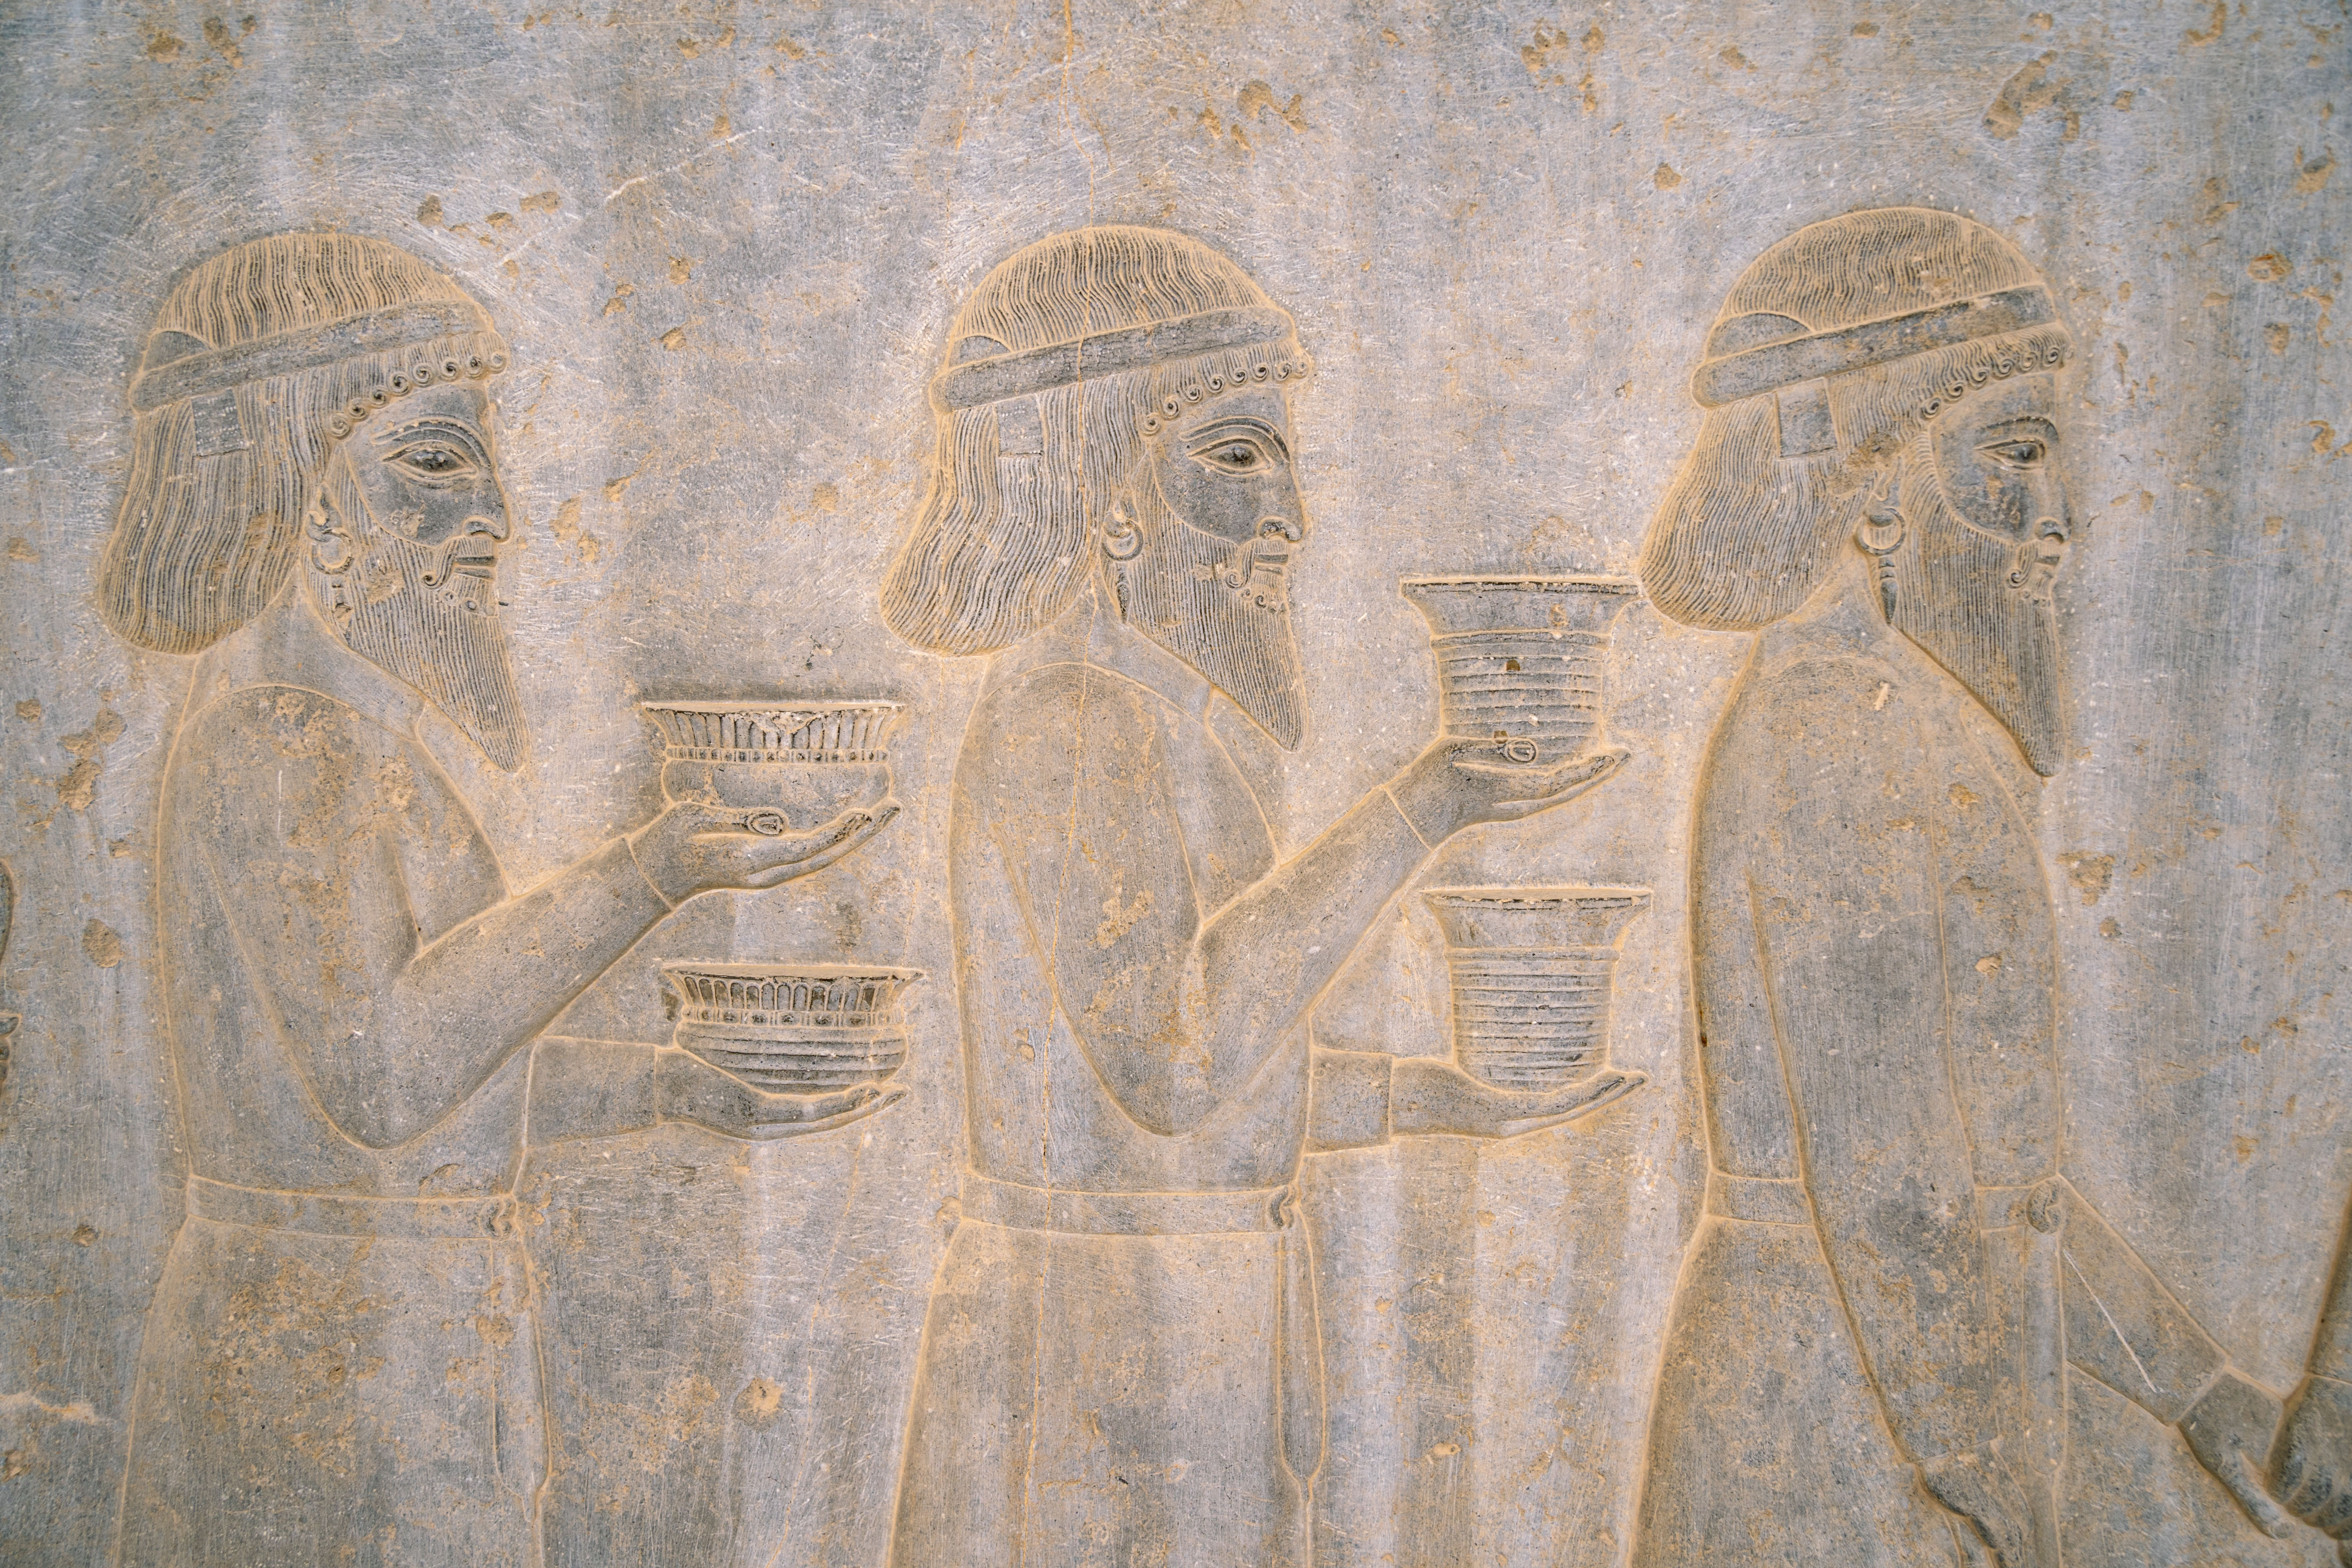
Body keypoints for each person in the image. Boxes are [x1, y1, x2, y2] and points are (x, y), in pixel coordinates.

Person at [98, 232, 898, 1566]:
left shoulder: (341, 732)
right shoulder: (280, 735)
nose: (497, 517)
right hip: (322, 1358)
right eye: (433, 464)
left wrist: (668, 1087)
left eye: (483, 465)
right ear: (303, 497)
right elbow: (387, 1078)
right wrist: (653, 869)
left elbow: (426, 1085)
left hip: (401, 1338)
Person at [876, 223, 1644, 1566]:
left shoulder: (1155, 718)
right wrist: (1424, 808)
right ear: (1103, 493)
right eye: (1235, 459)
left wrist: (1435, 1099)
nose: (1291, 518)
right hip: (1095, 1340)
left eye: (1284, 462)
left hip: (1180, 1320)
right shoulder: (1073, 715)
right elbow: (1176, 1068)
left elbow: (1195, 1085)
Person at [1630, 207, 2288, 1568]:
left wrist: (2201, 1394)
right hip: (1842, 1429)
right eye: (2013, 456)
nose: (2058, 520)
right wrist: (1991, 1486)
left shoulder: (1900, 716)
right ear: (1874, 491)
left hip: (1893, 1408)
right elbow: (1892, 1198)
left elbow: (1997, 1189)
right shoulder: (1841, 729)